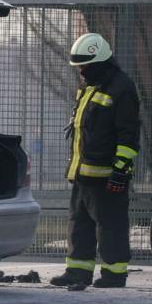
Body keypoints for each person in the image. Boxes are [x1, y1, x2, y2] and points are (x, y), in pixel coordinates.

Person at [50, 32, 140, 289]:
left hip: (107, 176)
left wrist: (120, 171)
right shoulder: (88, 87)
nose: (80, 71)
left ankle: (114, 275)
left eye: (84, 66)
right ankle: (77, 272)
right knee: (79, 225)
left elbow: (128, 134)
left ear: (99, 62)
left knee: (110, 227)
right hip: (82, 174)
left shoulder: (122, 88)